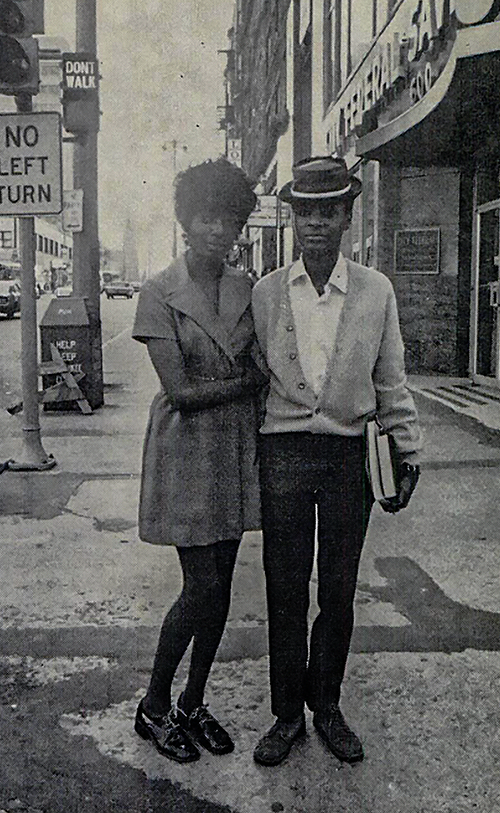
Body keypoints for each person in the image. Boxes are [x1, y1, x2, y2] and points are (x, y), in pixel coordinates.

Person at [251, 156, 421, 766]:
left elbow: (391, 378)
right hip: (285, 454)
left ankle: (327, 707)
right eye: (306, 211)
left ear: (348, 215)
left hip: (350, 455)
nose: (316, 222)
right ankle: (285, 716)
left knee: (340, 589)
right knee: (285, 588)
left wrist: (408, 452)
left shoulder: (376, 291)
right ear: (293, 217)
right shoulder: (267, 292)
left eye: (329, 211)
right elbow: (254, 379)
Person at [132, 157, 265, 764]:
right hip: (187, 450)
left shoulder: (249, 289)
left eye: (229, 219)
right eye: (207, 216)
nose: (218, 229)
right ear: (187, 219)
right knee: (200, 585)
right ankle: (153, 707)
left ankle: (192, 702)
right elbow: (181, 390)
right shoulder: (158, 291)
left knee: (221, 589)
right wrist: (245, 383)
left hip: (234, 448)